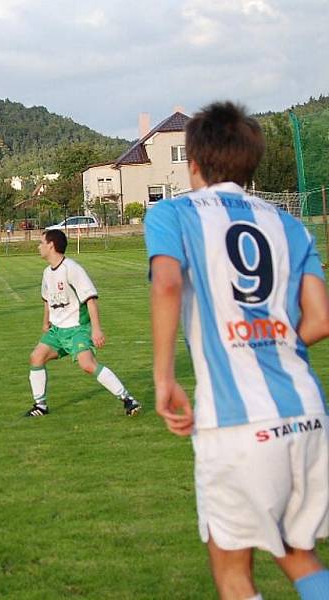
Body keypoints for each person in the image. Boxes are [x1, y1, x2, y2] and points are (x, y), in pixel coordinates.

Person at [146, 101, 329, 600]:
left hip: (237, 423)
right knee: (297, 551)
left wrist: (163, 378)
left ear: (194, 163)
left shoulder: (173, 212)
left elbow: (165, 284)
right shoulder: (291, 225)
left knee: (233, 575)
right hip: (308, 413)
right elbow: (320, 320)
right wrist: (268, 341)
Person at [25, 228, 139, 417]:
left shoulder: (72, 269)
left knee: (87, 364)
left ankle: (128, 399)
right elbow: (47, 300)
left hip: (77, 329)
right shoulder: (47, 273)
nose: (38, 247)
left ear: (51, 245)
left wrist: (96, 330)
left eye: (41, 243)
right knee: (36, 357)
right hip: (57, 331)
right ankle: (40, 406)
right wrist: (45, 323)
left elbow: (91, 300)